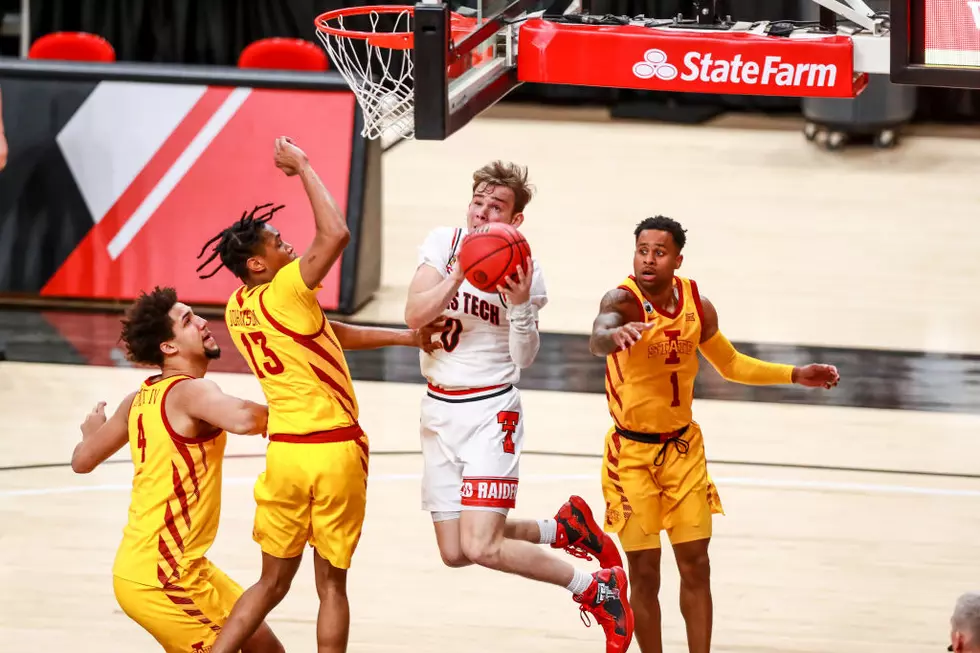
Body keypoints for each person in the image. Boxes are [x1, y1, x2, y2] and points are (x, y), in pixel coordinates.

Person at [196, 136, 442, 653]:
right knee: (331, 585)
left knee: (269, 584)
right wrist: (304, 166)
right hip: (332, 450)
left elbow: (331, 333)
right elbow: (336, 233)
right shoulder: (287, 288)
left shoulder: (240, 306)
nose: (288, 244)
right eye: (277, 241)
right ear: (258, 265)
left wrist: (405, 336)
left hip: (285, 454)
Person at [404, 160, 634, 653]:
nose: (483, 213)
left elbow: (524, 358)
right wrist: (460, 272)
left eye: (497, 206)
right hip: (438, 411)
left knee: (481, 545)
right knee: (455, 551)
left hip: (491, 412)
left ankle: (596, 588)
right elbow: (413, 315)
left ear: (516, 220)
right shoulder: (443, 243)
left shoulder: (525, 269)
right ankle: (564, 527)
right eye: (478, 201)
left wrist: (522, 305)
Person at [589, 215, 841, 653]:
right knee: (646, 574)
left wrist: (796, 374)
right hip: (630, 456)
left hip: (684, 450)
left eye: (659, 252)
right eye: (642, 250)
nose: (648, 260)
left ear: (677, 259)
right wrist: (613, 335)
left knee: (696, 564)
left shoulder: (697, 306)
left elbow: (731, 364)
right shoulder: (622, 300)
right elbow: (597, 337)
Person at [70, 286, 284, 653]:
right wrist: (308, 405)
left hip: (173, 566)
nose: (202, 322)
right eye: (187, 320)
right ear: (168, 347)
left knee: (265, 648)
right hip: (162, 577)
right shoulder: (191, 392)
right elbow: (247, 419)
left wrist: (90, 434)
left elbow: (81, 460)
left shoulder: (138, 399)